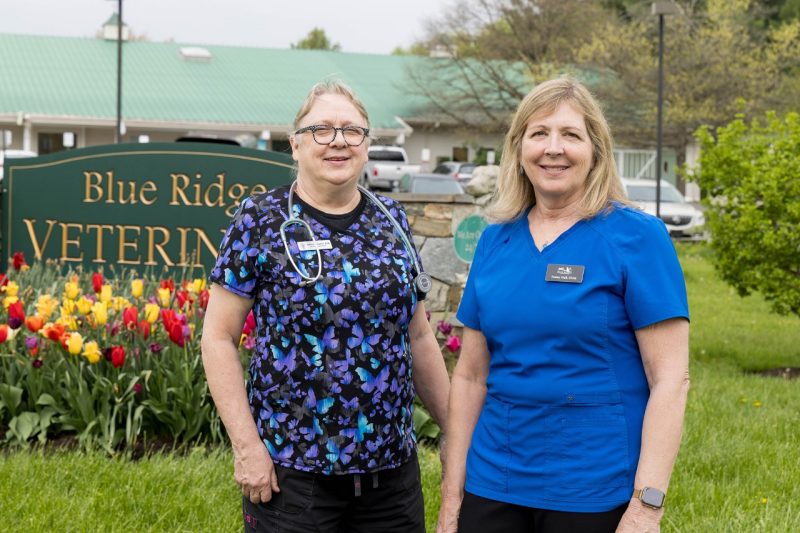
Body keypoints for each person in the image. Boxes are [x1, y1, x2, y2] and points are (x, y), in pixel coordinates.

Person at [436, 77, 690, 533]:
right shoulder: (495, 240)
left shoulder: (637, 237)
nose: (554, 148)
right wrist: (451, 501)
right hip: (494, 482)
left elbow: (671, 378)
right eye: (539, 133)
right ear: (519, 149)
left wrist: (647, 506)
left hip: (594, 489)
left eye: (570, 135)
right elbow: (471, 376)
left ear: (596, 150)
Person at [202, 80, 450, 533]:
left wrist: (454, 429)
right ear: (295, 145)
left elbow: (417, 335)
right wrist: (246, 447)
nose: (338, 140)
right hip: (293, 474)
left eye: (352, 130)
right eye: (321, 129)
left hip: (390, 476)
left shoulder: (391, 220)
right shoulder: (260, 219)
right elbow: (218, 338)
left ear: (367, 145)